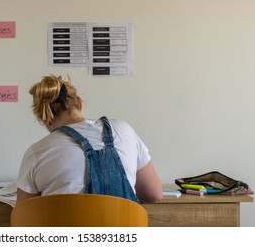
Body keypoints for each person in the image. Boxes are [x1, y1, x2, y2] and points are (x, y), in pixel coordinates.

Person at [16, 74, 163, 204]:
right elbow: (153, 194)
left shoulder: (37, 151)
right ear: (79, 103)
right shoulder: (124, 130)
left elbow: (24, 215)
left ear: (45, 118)